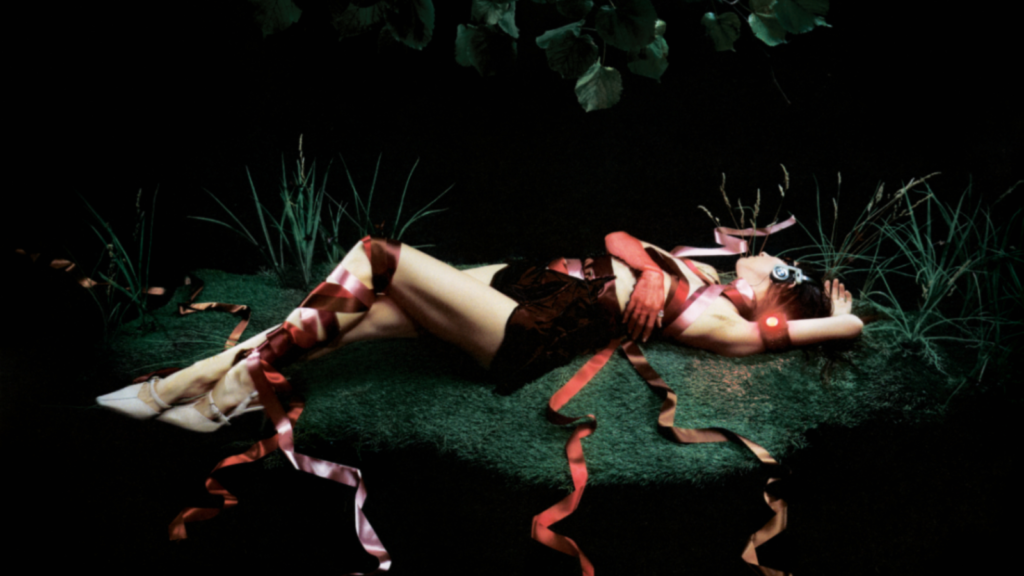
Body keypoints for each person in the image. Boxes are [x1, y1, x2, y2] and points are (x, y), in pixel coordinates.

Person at [97, 230, 862, 430]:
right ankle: (197, 385)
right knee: (349, 318)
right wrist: (653, 270)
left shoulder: (732, 326)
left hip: (532, 327)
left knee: (376, 257)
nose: (770, 254)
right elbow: (620, 237)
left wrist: (841, 315)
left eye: (783, 266)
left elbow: (834, 327)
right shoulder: (701, 271)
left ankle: (217, 390)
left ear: (780, 296)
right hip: (525, 282)